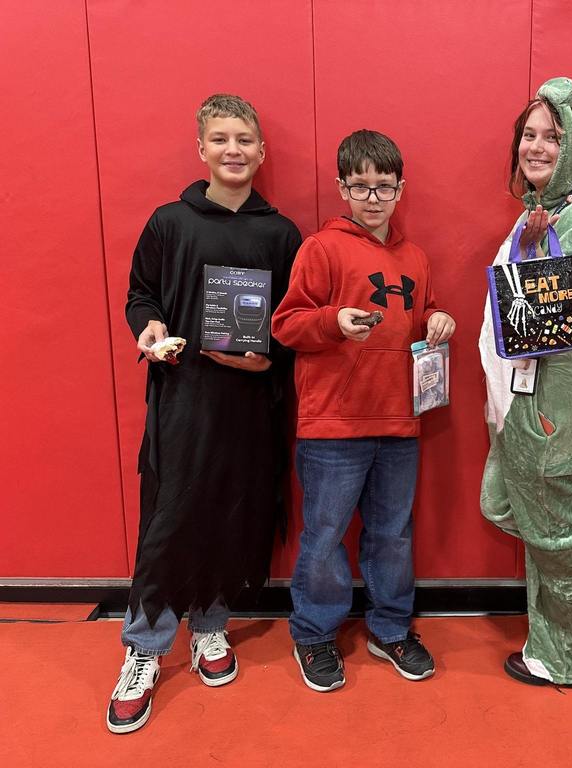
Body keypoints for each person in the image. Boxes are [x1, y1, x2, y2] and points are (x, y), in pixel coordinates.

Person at [108, 94, 301, 734]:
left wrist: (267, 358)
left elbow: (294, 321)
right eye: (220, 139)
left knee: (234, 514)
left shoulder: (282, 233)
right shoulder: (169, 223)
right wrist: (150, 327)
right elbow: (141, 295)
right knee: (172, 517)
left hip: (251, 404)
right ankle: (144, 646)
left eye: (244, 139)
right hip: (183, 398)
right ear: (202, 150)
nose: (234, 150)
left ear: (261, 151)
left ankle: (211, 625)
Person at [271, 129, 455, 692]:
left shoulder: (415, 257)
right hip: (334, 423)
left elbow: (419, 316)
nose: (372, 197)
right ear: (341, 188)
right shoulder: (320, 249)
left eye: (384, 186)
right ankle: (315, 633)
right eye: (360, 186)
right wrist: (333, 321)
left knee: (392, 534)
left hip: (401, 420)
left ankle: (391, 627)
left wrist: (438, 318)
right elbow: (286, 324)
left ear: (401, 189)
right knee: (325, 535)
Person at [479, 77, 572, 688]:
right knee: (512, 510)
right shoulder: (550, 212)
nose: (535, 147)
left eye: (553, 137)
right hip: (525, 399)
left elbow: (565, 326)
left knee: (557, 541)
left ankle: (566, 658)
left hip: (549, 406)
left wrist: (538, 411)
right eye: (529, 134)